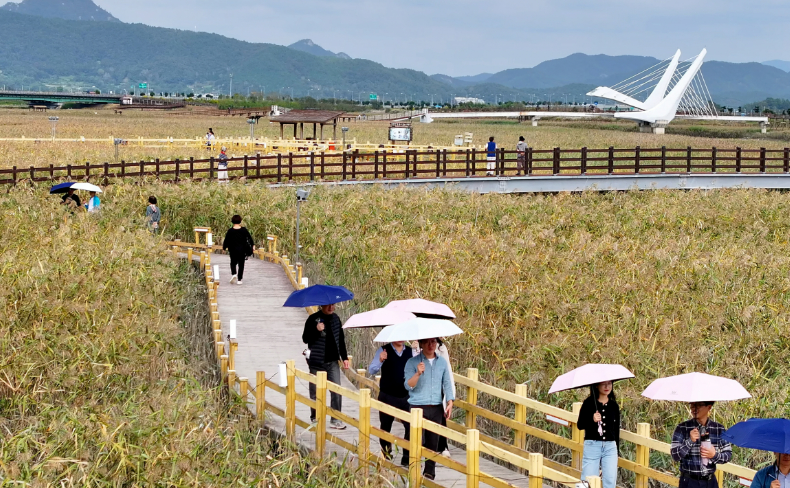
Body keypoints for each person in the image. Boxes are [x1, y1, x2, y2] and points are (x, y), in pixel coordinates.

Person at [404, 337, 455, 481]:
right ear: (420, 343)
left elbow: (447, 383)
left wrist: (450, 401)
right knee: (415, 440)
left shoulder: (442, 362)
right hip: (417, 406)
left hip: (436, 406)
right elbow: (408, 385)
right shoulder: (412, 362)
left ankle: (429, 474)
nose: (430, 345)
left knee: (433, 442)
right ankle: (413, 472)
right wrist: (418, 373)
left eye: (433, 342)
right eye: (426, 342)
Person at [302, 303, 350, 430]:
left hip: (333, 361)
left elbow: (341, 340)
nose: (331, 308)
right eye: (328, 305)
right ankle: (315, 417)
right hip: (317, 362)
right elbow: (305, 338)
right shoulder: (313, 319)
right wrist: (316, 330)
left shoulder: (336, 319)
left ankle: (335, 419)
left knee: (336, 390)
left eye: (333, 305)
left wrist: (344, 357)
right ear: (321, 306)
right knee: (315, 392)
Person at [368, 341, 413, 466]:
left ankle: (407, 456)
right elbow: (371, 370)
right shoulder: (384, 350)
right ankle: (386, 454)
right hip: (388, 395)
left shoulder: (411, 352)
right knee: (386, 426)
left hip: (406, 396)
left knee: (410, 426)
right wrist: (380, 359)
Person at [671, 402, 732, 488]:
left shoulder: (718, 429)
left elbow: (728, 455)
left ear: (709, 407)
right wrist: (689, 441)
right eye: (692, 405)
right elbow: (675, 456)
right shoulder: (682, 428)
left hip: (710, 482)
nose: (694, 408)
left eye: (698, 405)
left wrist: (714, 455)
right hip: (688, 482)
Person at [577, 381, 620, 488]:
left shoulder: (614, 405)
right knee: (588, 479)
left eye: (609, 384)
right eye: (603, 384)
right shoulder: (589, 403)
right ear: (596, 385)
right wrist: (592, 419)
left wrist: (616, 450)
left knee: (610, 480)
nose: (607, 387)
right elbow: (580, 425)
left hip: (610, 447)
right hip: (592, 445)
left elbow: (616, 431)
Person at [222, 215, 254, 285]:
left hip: (233, 250)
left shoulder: (230, 231)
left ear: (232, 221)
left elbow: (226, 240)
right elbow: (249, 238)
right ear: (240, 221)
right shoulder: (244, 230)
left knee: (233, 263)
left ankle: (234, 274)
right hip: (242, 250)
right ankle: (239, 279)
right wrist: (253, 245)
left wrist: (224, 248)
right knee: (241, 264)